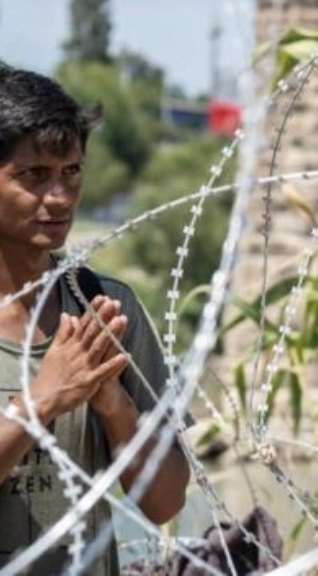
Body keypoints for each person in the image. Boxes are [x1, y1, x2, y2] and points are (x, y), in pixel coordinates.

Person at [0, 65, 190, 574]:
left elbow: (166, 503)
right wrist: (42, 400)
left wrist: (115, 405)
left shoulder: (102, 308)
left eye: (72, 172)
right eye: (34, 176)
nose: (60, 197)